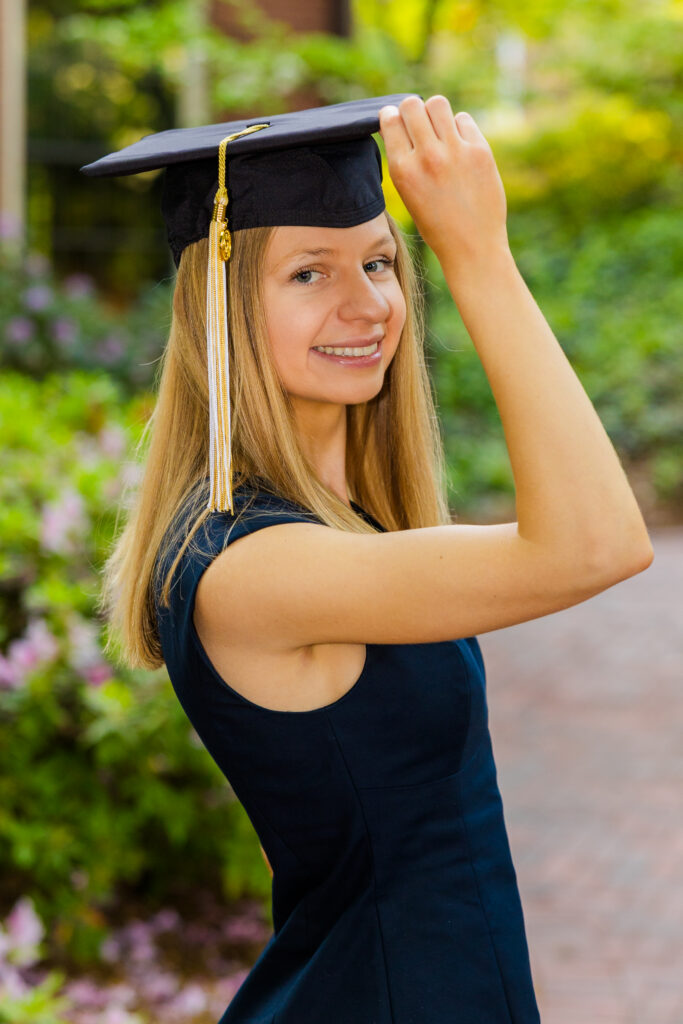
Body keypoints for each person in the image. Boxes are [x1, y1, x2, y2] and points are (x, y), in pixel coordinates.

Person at [88, 94, 653, 1023]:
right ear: (224, 306)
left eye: (381, 262)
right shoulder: (251, 566)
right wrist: (479, 252)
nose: (367, 303)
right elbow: (597, 544)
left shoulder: (342, 533)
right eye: (308, 273)